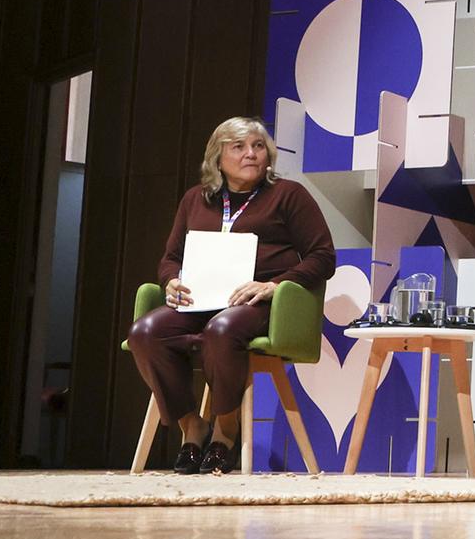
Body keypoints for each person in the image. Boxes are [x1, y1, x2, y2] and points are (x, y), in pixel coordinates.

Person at [128, 117, 336, 474]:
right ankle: (192, 425)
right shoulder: (196, 199)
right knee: (146, 333)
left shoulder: (288, 195)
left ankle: (225, 430)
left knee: (222, 330)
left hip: (258, 304)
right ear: (218, 158)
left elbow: (323, 256)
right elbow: (171, 257)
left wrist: (274, 285)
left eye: (258, 146)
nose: (251, 154)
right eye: (239, 147)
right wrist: (171, 281)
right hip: (200, 300)